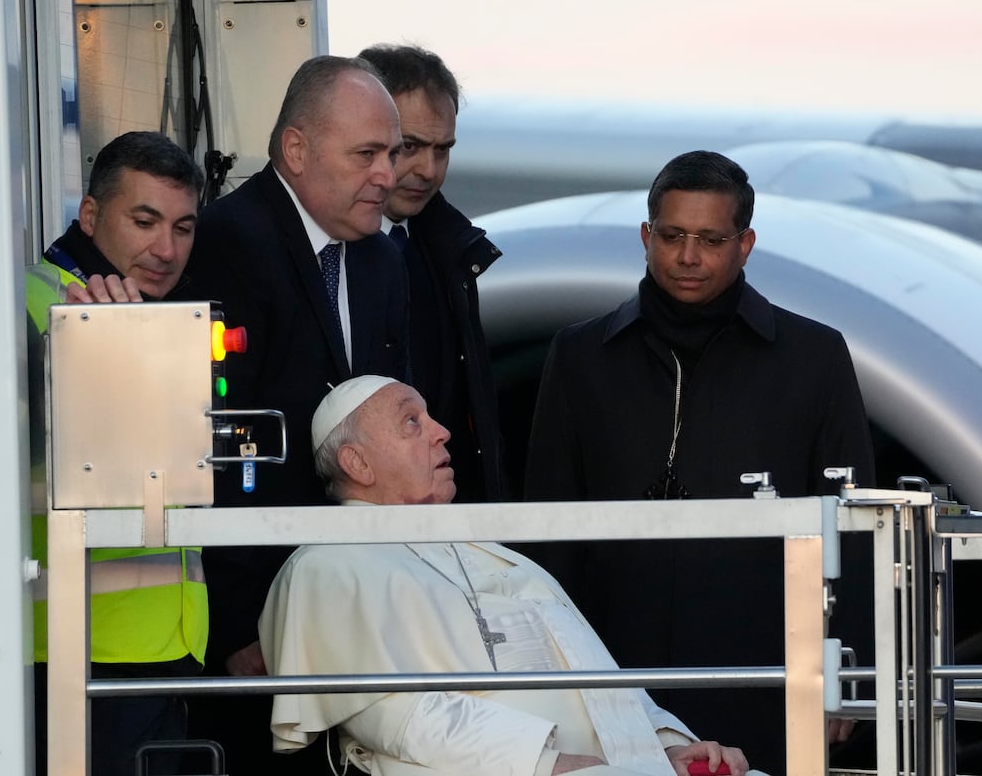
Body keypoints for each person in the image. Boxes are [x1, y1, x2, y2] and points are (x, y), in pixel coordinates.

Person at [522, 150, 876, 774]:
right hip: (611, 672)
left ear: (746, 244)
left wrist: (844, 662)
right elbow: (549, 522)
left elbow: (853, 521)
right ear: (645, 236)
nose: (689, 256)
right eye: (673, 236)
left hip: (767, 670)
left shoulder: (815, 357)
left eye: (711, 239)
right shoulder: (579, 356)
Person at [259, 376, 755, 776]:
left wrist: (666, 745)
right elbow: (392, 717)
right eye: (412, 422)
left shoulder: (491, 551)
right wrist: (544, 762)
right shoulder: (328, 563)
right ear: (357, 462)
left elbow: (591, 671)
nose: (441, 431)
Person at [182, 55, 410, 773]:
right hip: (259, 632)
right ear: (296, 150)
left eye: (394, 153)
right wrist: (249, 626)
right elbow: (217, 451)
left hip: (355, 611)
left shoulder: (381, 255)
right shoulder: (227, 244)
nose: (389, 174)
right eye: (367, 153)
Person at [25, 131, 207, 776]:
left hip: (157, 645)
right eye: (145, 220)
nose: (166, 250)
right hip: (78, 650)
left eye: (183, 228)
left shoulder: (139, 312)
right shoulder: (39, 307)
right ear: (91, 216)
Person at [356, 43, 507, 503]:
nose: (428, 169)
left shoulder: (449, 250)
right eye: (410, 147)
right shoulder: (328, 253)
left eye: (443, 150)